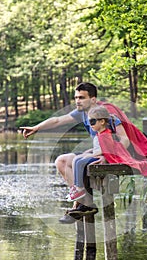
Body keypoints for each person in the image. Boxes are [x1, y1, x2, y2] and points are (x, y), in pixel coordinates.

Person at [21, 82, 130, 223]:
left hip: (114, 156)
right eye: (76, 97)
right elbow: (57, 120)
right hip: (97, 151)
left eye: (81, 97)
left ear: (93, 99)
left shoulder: (106, 114)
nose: (77, 101)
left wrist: (108, 157)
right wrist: (36, 128)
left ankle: (80, 205)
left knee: (77, 160)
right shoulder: (82, 113)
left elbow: (125, 139)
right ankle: (83, 202)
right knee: (61, 161)